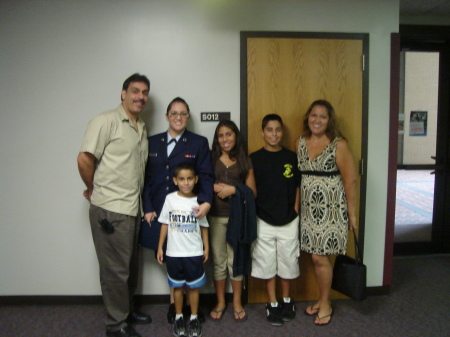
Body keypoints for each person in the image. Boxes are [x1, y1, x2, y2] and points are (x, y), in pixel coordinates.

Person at [77, 73, 152, 337]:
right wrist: (92, 188)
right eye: (134, 91)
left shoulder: (140, 126)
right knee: (114, 272)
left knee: (130, 268)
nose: (140, 97)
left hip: (132, 209)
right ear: (123, 93)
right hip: (110, 209)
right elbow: (85, 158)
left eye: (144, 92)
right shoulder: (105, 121)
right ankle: (116, 325)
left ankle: (127, 311)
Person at [141, 97, 214, 323]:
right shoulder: (152, 141)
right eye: (174, 113)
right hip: (160, 212)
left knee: (190, 258)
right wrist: (148, 207)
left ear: (188, 117)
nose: (178, 117)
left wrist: (205, 202)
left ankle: (189, 309)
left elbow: (207, 176)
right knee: (169, 258)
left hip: (188, 212)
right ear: (167, 116)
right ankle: (176, 306)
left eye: (183, 113)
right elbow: (145, 178)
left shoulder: (198, 142)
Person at [294, 100, 357, 326]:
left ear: (329, 121)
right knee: (316, 257)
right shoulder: (300, 142)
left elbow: (350, 180)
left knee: (320, 257)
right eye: (313, 115)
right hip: (310, 211)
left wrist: (352, 214)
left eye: (322, 117)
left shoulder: (338, 145)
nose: (317, 120)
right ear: (307, 117)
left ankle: (325, 302)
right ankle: (322, 301)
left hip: (331, 210)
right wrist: (297, 207)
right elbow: (299, 179)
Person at [250, 114, 301, 327]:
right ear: (262, 132)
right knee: (267, 262)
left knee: (288, 260)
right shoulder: (254, 158)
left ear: (282, 132)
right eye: (269, 130)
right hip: (264, 219)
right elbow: (251, 189)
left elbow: (298, 185)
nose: (274, 134)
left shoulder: (291, 157)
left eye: (278, 130)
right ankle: (272, 302)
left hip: (289, 218)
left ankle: (287, 300)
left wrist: (296, 209)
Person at [207, 120, 257, 322]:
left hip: (238, 218)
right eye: (221, 135)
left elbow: (252, 192)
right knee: (219, 261)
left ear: (236, 136)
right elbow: (199, 181)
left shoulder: (245, 160)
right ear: (217, 139)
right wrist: (212, 187)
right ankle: (220, 302)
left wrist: (233, 190)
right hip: (215, 218)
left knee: (235, 261)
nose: (225, 139)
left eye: (229, 134)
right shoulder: (211, 158)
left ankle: (236, 302)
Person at [157, 163, 209, 337]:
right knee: (177, 288)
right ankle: (179, 316)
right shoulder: (170, 199)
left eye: (189, 179)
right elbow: (164, 223)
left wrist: (206, 247)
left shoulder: (199, 201)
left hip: (193, 252)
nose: (186, 183)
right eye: (181, 179)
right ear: (175, 181)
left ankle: (194, 318)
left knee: (193, 288)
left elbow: (204, 226)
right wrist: (160, 247)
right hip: (174, 253)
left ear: (195, 180)